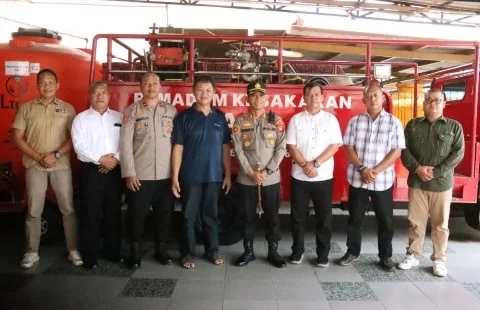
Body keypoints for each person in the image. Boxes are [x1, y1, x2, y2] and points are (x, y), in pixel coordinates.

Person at [12, 68, 83, 268]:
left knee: (67, 209)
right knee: (34, 210)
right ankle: (32, 252)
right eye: (42, 82)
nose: (47, 85)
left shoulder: (68, 109)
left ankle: (73, 250)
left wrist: (56, 154)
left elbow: (74, 137)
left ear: (57, 85)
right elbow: (16, 137)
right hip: (35, 166)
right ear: (37, 85)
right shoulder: (26, 108)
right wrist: (38, 157)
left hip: (60, 165)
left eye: (51, 81)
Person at [338, 83, 405, 272]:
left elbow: (396, 151)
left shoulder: (394, 122)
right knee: (355, 219)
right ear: (364, 100)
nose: (373, 99)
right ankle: (352, 252)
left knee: (386, 220)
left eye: (377, 95)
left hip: (382, 181)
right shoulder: (355, 121)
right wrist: (362, 168)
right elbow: (348, 148)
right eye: (370, 96)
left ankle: (385, 256)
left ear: (383, 98)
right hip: (358, 179)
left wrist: (374, 171)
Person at [398, 88, 464, 277]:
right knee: (415, 222)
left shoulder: (454, 127)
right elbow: (404, 150)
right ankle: (412, 254)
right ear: (423, 103)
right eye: (428, 100)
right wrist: (417, 168)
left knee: (440, 224)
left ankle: (439, 259)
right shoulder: (413, 125)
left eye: (437, 100)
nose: (432, 104)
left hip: (441, 184)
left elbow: (457, 153)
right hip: (417, 182)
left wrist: (436, 172)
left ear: (444, 103)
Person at [171, 75, 231, 269]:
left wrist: (227, 174)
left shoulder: (220, 117)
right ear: (193, 92)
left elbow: (225, 147)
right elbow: (178, 148)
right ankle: (187, 254)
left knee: (210, 215)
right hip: (190, 176)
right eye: (200, 90)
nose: (204, 94)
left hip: (213, 176)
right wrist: (174, 177)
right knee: (188, 216)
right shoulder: (184, 117)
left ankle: (212, 251)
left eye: (208, 90)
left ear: (213, 93)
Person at [120, 72, 177, 269]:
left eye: (154, 83)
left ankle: (161, 249)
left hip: (166, 175)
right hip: (140, 175)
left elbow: (177, 145)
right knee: (136, 216)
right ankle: (135, 253)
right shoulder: (131, 111)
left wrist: (176, 175)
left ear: (160, 86)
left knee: (165, 215)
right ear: (141, 87)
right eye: (147, 83)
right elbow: (125, 143)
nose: (151, 87)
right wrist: (129, 172)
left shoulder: (171, 111)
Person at [286, 79, 343, 267]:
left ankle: (323, 254)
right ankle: (297, 252)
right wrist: (305, 165)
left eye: (316, 95)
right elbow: (291, 145)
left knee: (324, 218)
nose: (313, 98)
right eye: (309, 95)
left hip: (323, 177)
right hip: (299, 177)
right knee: (297, 217)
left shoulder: (330, 119)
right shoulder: (296, 120)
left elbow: (335, 145)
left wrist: (316, 163)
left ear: (322, 97)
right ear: (304, 98)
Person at [231, 80, 287, 268]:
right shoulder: (240, 121)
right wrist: (249, 172)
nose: (257, 98)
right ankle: (248, 252)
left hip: (270, 179)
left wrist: (267, 170)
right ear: (247, 98)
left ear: (266, 98)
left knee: (272, 216)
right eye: (253, 95)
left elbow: (281, 148)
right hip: (247, 179)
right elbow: (238, 150)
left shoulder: (276, 120)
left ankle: (273, 252)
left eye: (261, 95)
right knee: (247, 217)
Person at [71, 81, 123, 270]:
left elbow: (125, 143)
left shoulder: (119, 117)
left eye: (103, 92)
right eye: (95, 93)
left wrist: (115, 159)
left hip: (115, 171)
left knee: (113, 214)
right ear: (89, 95)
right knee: (90, 214)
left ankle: (113, 252)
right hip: (91, 171)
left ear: (109, 95)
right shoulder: (80, 119)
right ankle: (90, 256)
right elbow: (79, 147)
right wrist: (101, 160)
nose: (99, 96)